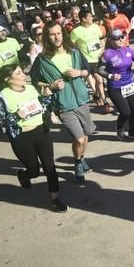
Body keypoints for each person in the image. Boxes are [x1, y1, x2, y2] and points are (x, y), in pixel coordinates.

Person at [0, 64, 67, 212]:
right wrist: (15, 116)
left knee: (49, 166)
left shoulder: (31, 89)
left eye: (23, 72)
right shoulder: (1, 97)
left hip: (40, 132)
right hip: (21, 138)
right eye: (19, 73)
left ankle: (55, 199)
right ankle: (24, 174)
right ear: (8, 79)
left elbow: (42, 105)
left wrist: (47, 97)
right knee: (34, 170)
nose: (24, 75)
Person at [30, 21, 96, 181]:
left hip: (82, 100)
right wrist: (50, 85)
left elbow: (88, 70)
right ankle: (78, 163)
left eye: (58, 33)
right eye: (52, 34)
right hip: (63, 105)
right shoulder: (42, 59)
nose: (56, 37)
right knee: (79, 138)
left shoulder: (74, 52)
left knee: (86, 136)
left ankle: (81, 158)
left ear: (63, 34)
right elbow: (34, 81)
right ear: (47, 37)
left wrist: (79, 72)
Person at [98, 29, 134, 141]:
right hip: (115, 87)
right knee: (125, 112)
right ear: (111, 40)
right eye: (117, 38)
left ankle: (132, 131)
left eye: (122, 37)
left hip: (129, 85)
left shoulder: (128, 50)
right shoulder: (107, 54)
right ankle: (120, 127)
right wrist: (110, 76)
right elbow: (99, 69)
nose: (121, 40)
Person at [70, 9, 110, 113]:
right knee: (94, 80)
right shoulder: (76, 31)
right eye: (89, 17)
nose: (92, 18)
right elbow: (71, 46)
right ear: (83, 19)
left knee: (100, 81)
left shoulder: (95, 27)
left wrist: (102, 48)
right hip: (86, 60)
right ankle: (101, 100)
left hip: (97, 58)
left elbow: (102, 38)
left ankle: (101, 99)